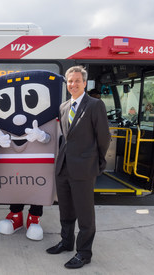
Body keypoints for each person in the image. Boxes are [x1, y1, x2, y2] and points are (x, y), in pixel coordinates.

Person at [46, 66, 111, 269]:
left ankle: (84, 252)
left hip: (84, 167)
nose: (73, 84)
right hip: (64, 166)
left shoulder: (95, 105)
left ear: (84, 83)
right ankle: (66, 242)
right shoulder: (64, 106)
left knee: (84, 213)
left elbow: (104, 137)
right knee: (66, 209)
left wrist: (98, 161)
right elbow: (66, 136)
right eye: (70, 81)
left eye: (77, 80)